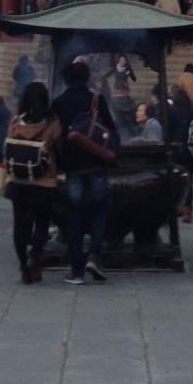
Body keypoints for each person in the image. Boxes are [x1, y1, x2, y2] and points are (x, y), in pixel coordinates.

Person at [54, 58, 116, 284]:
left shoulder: (59, 103)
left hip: (72, 167)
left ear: (67, 79)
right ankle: (95, 256)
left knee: (74, 215)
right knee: (99, 211)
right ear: (88, 78)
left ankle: (76, 270)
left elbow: (55, 136)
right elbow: (111, 129)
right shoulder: (97, 100)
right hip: (97, 163)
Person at [6, 81, 61, 282]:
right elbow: (58, 145)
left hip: (18, 180)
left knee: (20, 224)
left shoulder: (15, 122)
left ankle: (23, 265)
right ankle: (34, 256)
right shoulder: (52, 122)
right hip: (43, 180)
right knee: (42, 222)